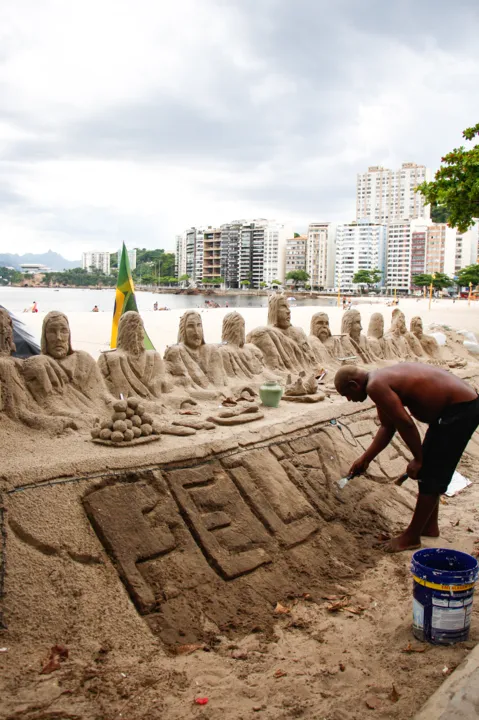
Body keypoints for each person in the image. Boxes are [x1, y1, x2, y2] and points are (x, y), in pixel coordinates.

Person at [334, 363, 479, 552]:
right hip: (451, 411)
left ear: (354, 385)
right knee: (429, 470)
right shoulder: (378, 380)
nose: (348, 399)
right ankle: (428, 526)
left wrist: (418, 459)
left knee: (431, 473)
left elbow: (405, 423)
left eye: (346, 395)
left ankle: (412, 537)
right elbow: (387, 427)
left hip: (460, 410)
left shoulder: (375, 385)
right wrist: (365, 458)